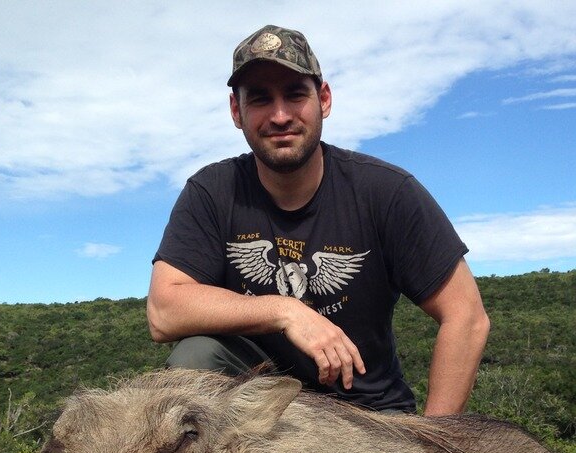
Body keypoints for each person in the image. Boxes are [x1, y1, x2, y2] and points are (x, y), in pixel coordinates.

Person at [147, 24, 489, 415]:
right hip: (261, 411)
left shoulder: (386, 192)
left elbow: (467, 316)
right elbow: (164, 311)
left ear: (323, 99)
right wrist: (286, 311)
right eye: (260, 99)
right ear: (236, 111)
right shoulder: (212, 192)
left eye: (295, 95)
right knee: (196, 355)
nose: (279, 116)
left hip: (370, 415)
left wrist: (435, 446)